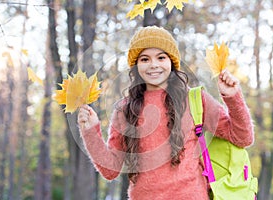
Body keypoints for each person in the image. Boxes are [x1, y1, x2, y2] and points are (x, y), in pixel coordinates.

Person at [77, 26, 254, 200]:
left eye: (161, 57)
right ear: (135, 65)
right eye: (145, 59)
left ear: (172, 62)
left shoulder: (195, 99)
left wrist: (232, 97)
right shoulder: (124, 110)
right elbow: (110, 170)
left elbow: (242, 137)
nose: (154, 65)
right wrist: (91, 132)